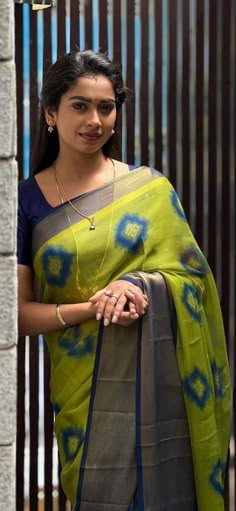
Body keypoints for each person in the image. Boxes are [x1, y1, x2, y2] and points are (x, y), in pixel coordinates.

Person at [18, 50, 231, 511]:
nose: (95, 120)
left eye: (107, 106)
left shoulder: (151, 189)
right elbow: (16, 314)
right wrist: (94, 306)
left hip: (160, 392)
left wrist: (136, 285)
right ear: (50, 113)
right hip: (84, 403)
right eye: (80, 105)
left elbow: (193, 282)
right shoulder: (24, 202)